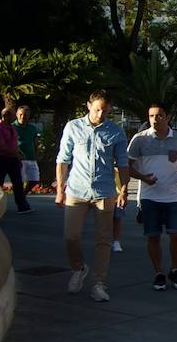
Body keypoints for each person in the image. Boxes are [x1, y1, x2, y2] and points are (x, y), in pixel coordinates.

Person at [56, 90, 130, 302]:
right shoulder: (73, 127)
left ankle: (99, 283)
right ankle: (79, 268)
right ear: (88, 106)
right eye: (97, 109)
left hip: (104, 191)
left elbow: (123, 163)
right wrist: (60, 189)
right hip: (76, 190)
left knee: (104, 239)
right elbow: (63, 159)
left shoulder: (115, 132)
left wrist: (124, 190)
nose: (100, 114)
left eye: (105, 111)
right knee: (71, 235)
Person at [127, 103, 177, 290]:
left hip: (173, 196)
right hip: (149, 197)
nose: (155, 119)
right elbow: (127, 167)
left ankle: (175, 269)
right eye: (151, 116)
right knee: (153, 236)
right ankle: (158, 272)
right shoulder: (139, 140)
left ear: (168, 117)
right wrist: (143, 178)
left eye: (159, 115)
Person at [0, 107, 32, 214]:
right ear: (5, 116)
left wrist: (18, 152)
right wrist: (15, 154)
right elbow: (1, 146)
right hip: (1, 159)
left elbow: (13, 143)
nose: (15, 117)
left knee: (18, 183)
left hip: (12, 159)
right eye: (13, 115)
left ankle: (22, 206)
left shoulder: (11, 127)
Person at [13, 105, 43, 190]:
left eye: (25, 114)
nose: (23, 116)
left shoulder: (32, 128)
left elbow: (36, 142)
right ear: (17, 114)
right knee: (19, 180)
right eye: (21, 114)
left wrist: (38, 151)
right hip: (18, 159)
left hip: (31, 157)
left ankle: (23, 194)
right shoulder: (12, 127)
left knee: (35, 180)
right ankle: (19, 197)